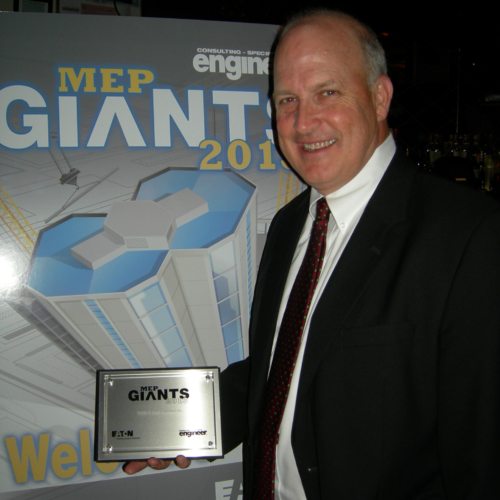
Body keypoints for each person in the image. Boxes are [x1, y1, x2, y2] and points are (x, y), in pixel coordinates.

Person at [125, 9, 500, 499]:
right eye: (287, 100)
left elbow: (482, 454)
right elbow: (282, 369)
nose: (303, 122)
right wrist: (176, 421)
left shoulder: (468, 234)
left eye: (327, 92)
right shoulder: (288, 225)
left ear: (380, 96)